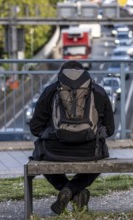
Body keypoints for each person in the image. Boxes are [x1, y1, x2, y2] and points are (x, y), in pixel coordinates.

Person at [29, 60, 115, 215]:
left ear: (61, 76)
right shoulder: (98, 91)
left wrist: (52, 133)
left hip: (55, 152)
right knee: (100, 156)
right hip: (90, 152)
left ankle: (66, 189)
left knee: (39, 154)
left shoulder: (50, 91)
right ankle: (74, 191)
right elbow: (110, 129)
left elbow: (35, 128)